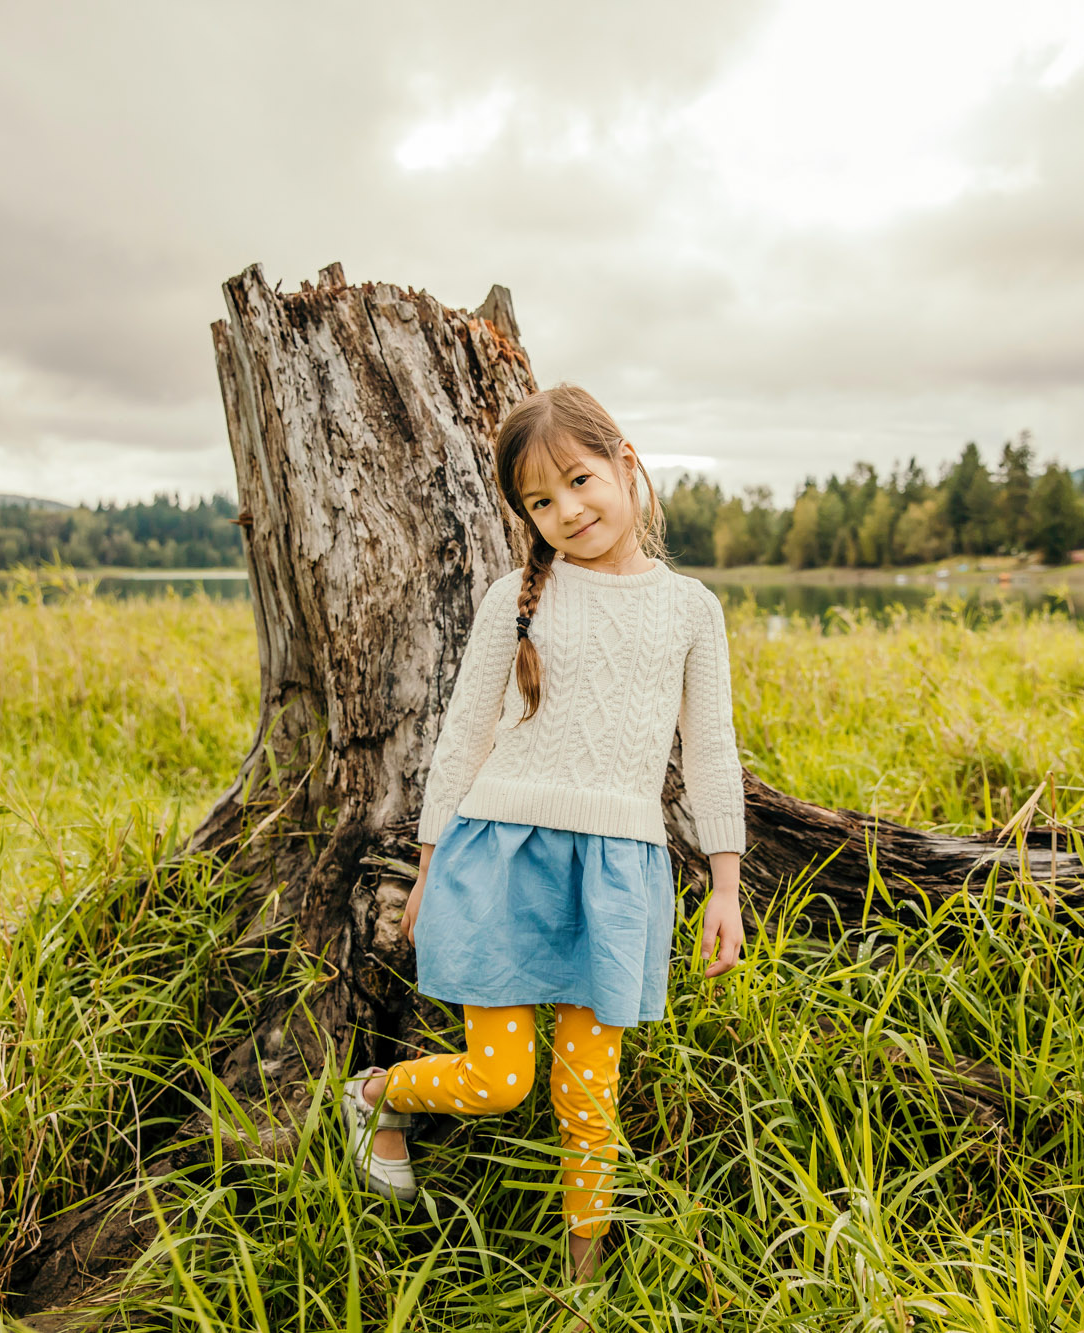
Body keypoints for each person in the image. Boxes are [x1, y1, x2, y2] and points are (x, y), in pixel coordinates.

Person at [337, 382, 747, 1281]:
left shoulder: (691, 610)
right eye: (540, 500)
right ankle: (373, 1096)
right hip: (498, 858)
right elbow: (463, 733)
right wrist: (431, 863)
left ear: (625, 464)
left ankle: (583, 1281)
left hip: (616, 871)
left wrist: (726, 883)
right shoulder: (515, 597)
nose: (568, 510)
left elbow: (711, 749)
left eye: (579, 480)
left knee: (588, 1098)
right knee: (501, 1079)